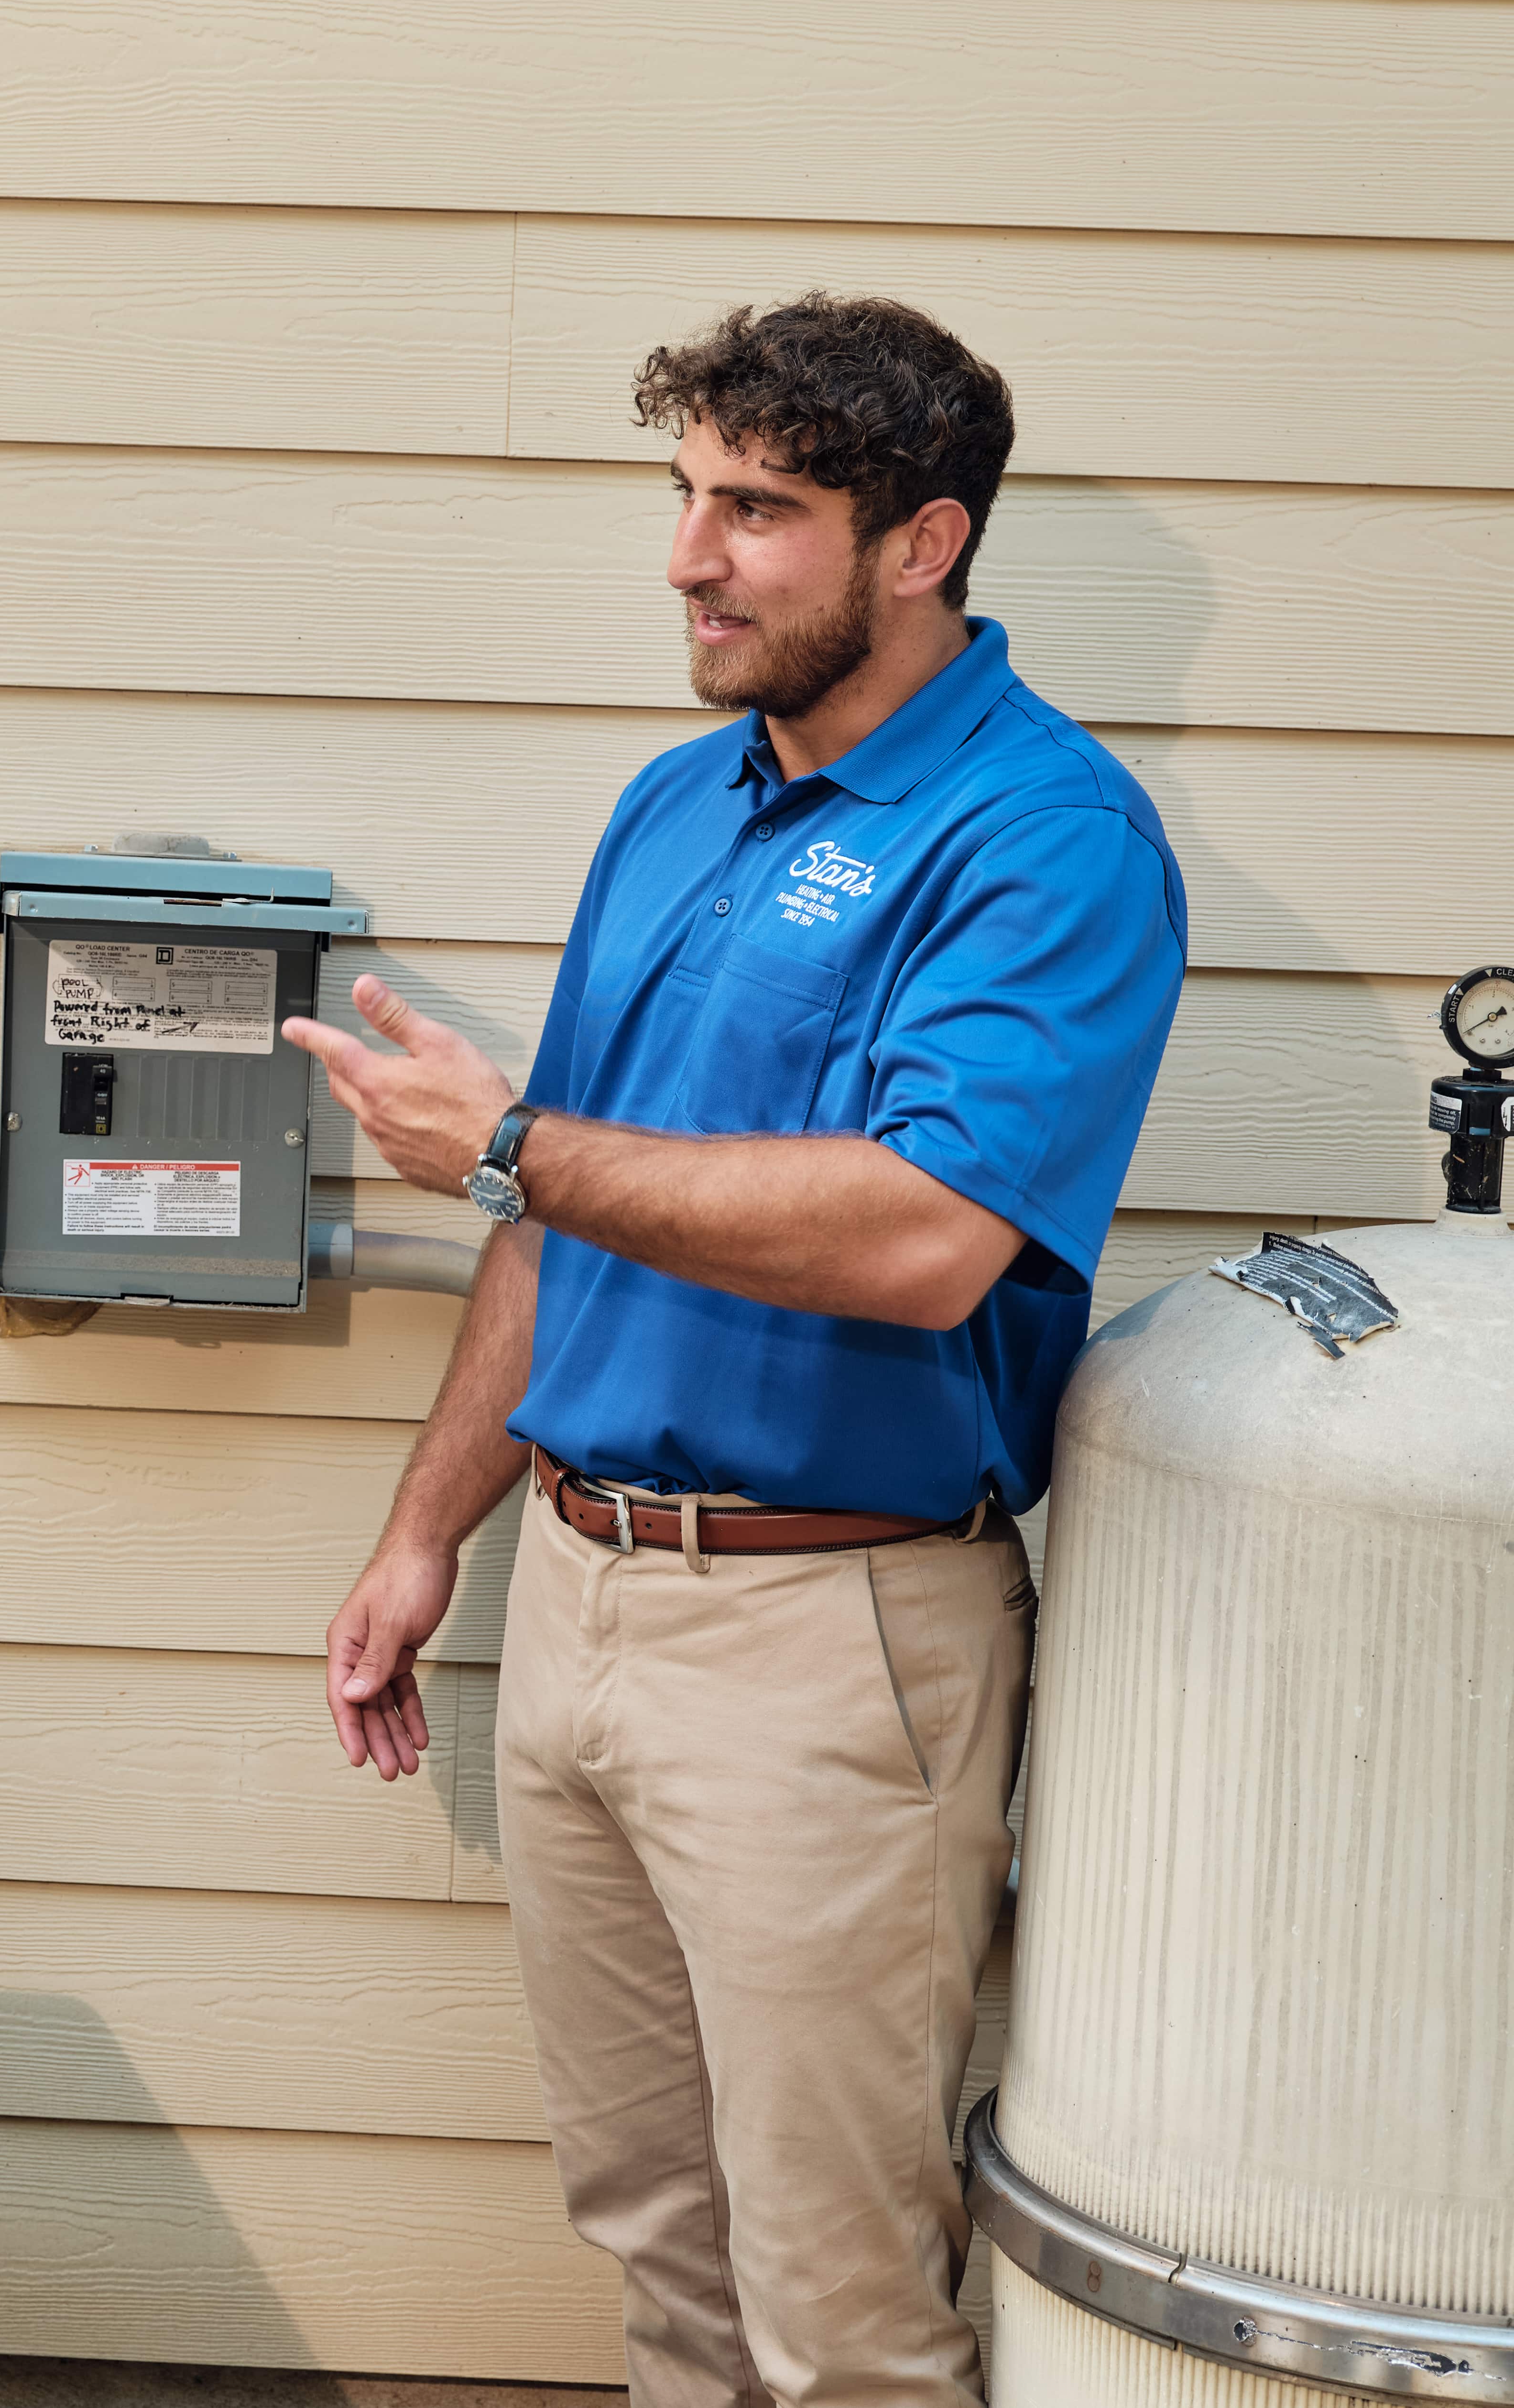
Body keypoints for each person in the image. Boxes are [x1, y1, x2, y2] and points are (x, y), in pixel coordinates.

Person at [283, 296, 1184, 2408]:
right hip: (584, 1598)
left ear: (921, 544)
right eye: (685, 497)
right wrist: (425, 1535)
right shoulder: (675, 805)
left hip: (827, 1636)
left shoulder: (1039, 840)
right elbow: (561, 1213)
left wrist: (501, 1136)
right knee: (657, 2248)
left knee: (837, 2303)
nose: (689, 558)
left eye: (757, 510)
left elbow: (925, 1237)